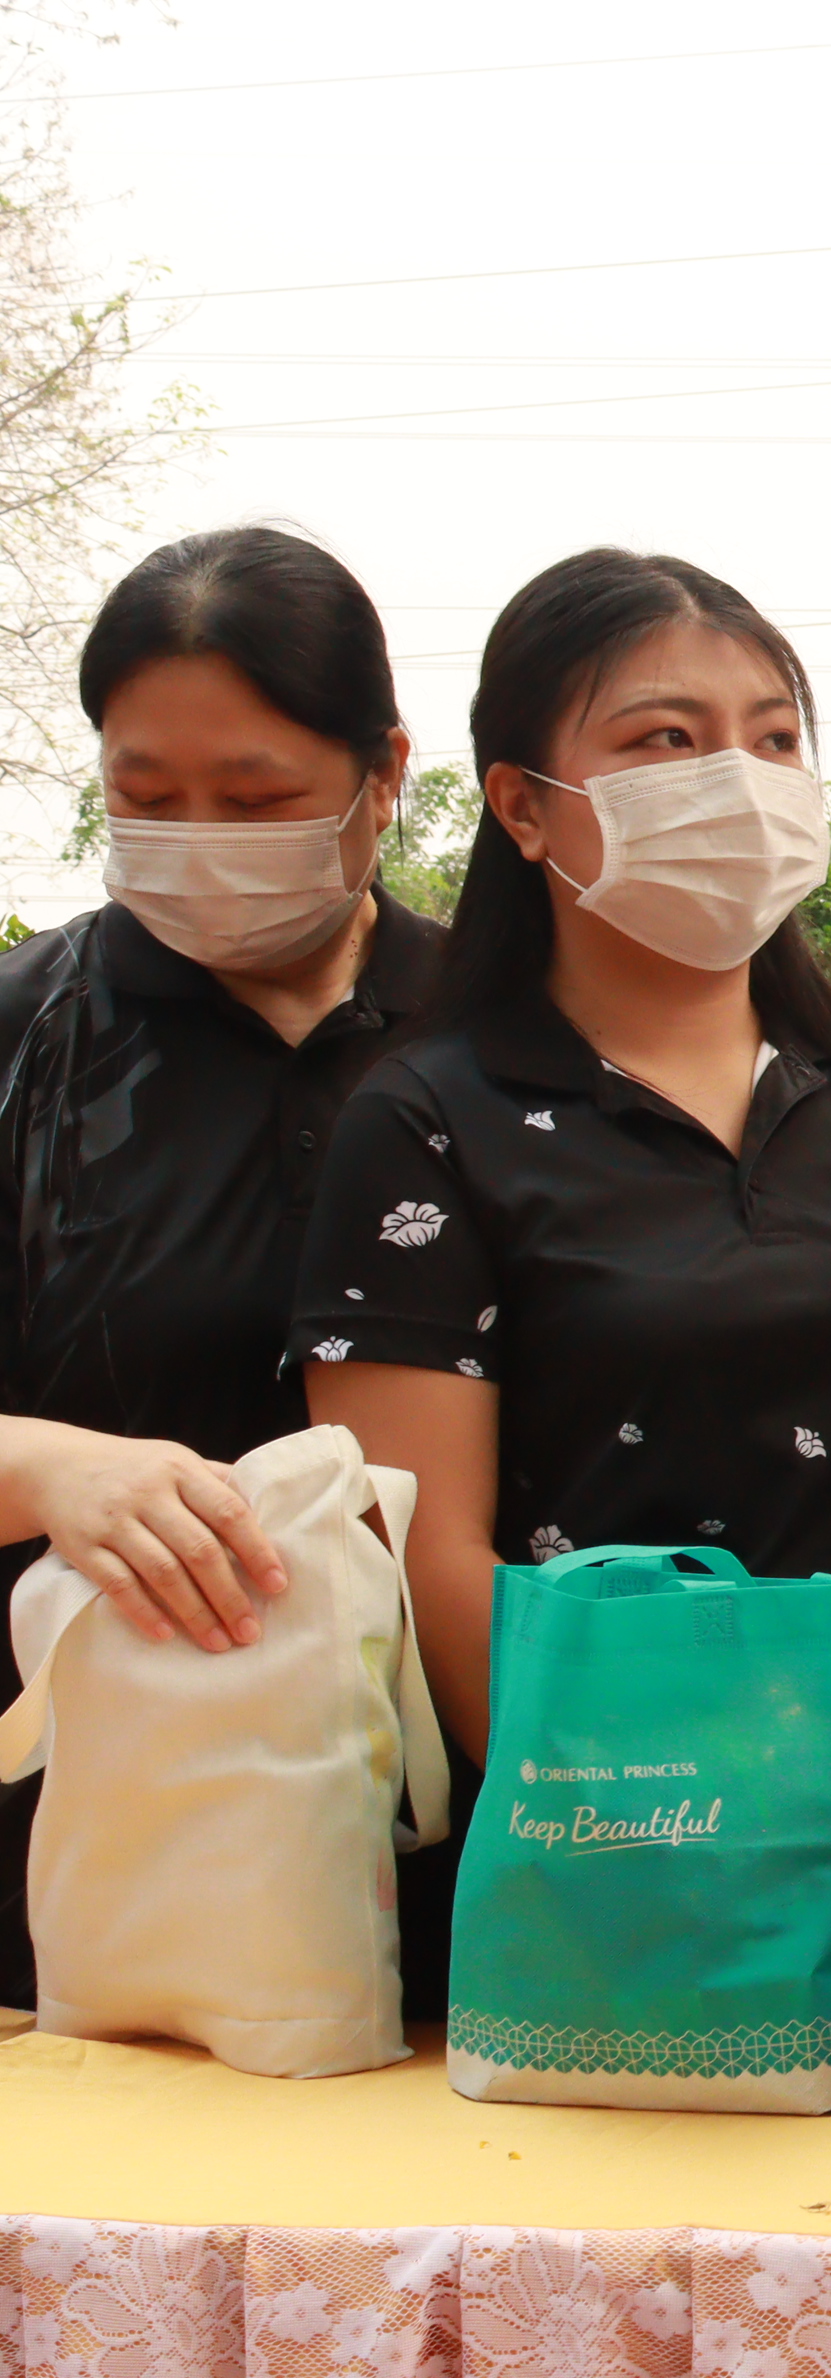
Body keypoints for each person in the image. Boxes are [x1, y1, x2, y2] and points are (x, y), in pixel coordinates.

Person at [293, 549, 831, 2049]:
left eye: (773, 738)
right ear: (522, 807)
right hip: (608, 1852)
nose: (739, 781)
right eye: (667, 738)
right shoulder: (429, 1120)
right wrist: (664, 1838)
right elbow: (416, 1538)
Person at [0, 528, 442, 2009]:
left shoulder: (511, 1041)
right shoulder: (25, 1046)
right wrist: (48, 1464)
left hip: (493, 1846)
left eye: (255, 802)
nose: (199, 837)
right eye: (146, 796)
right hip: (86, 1855)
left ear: (385, 772)